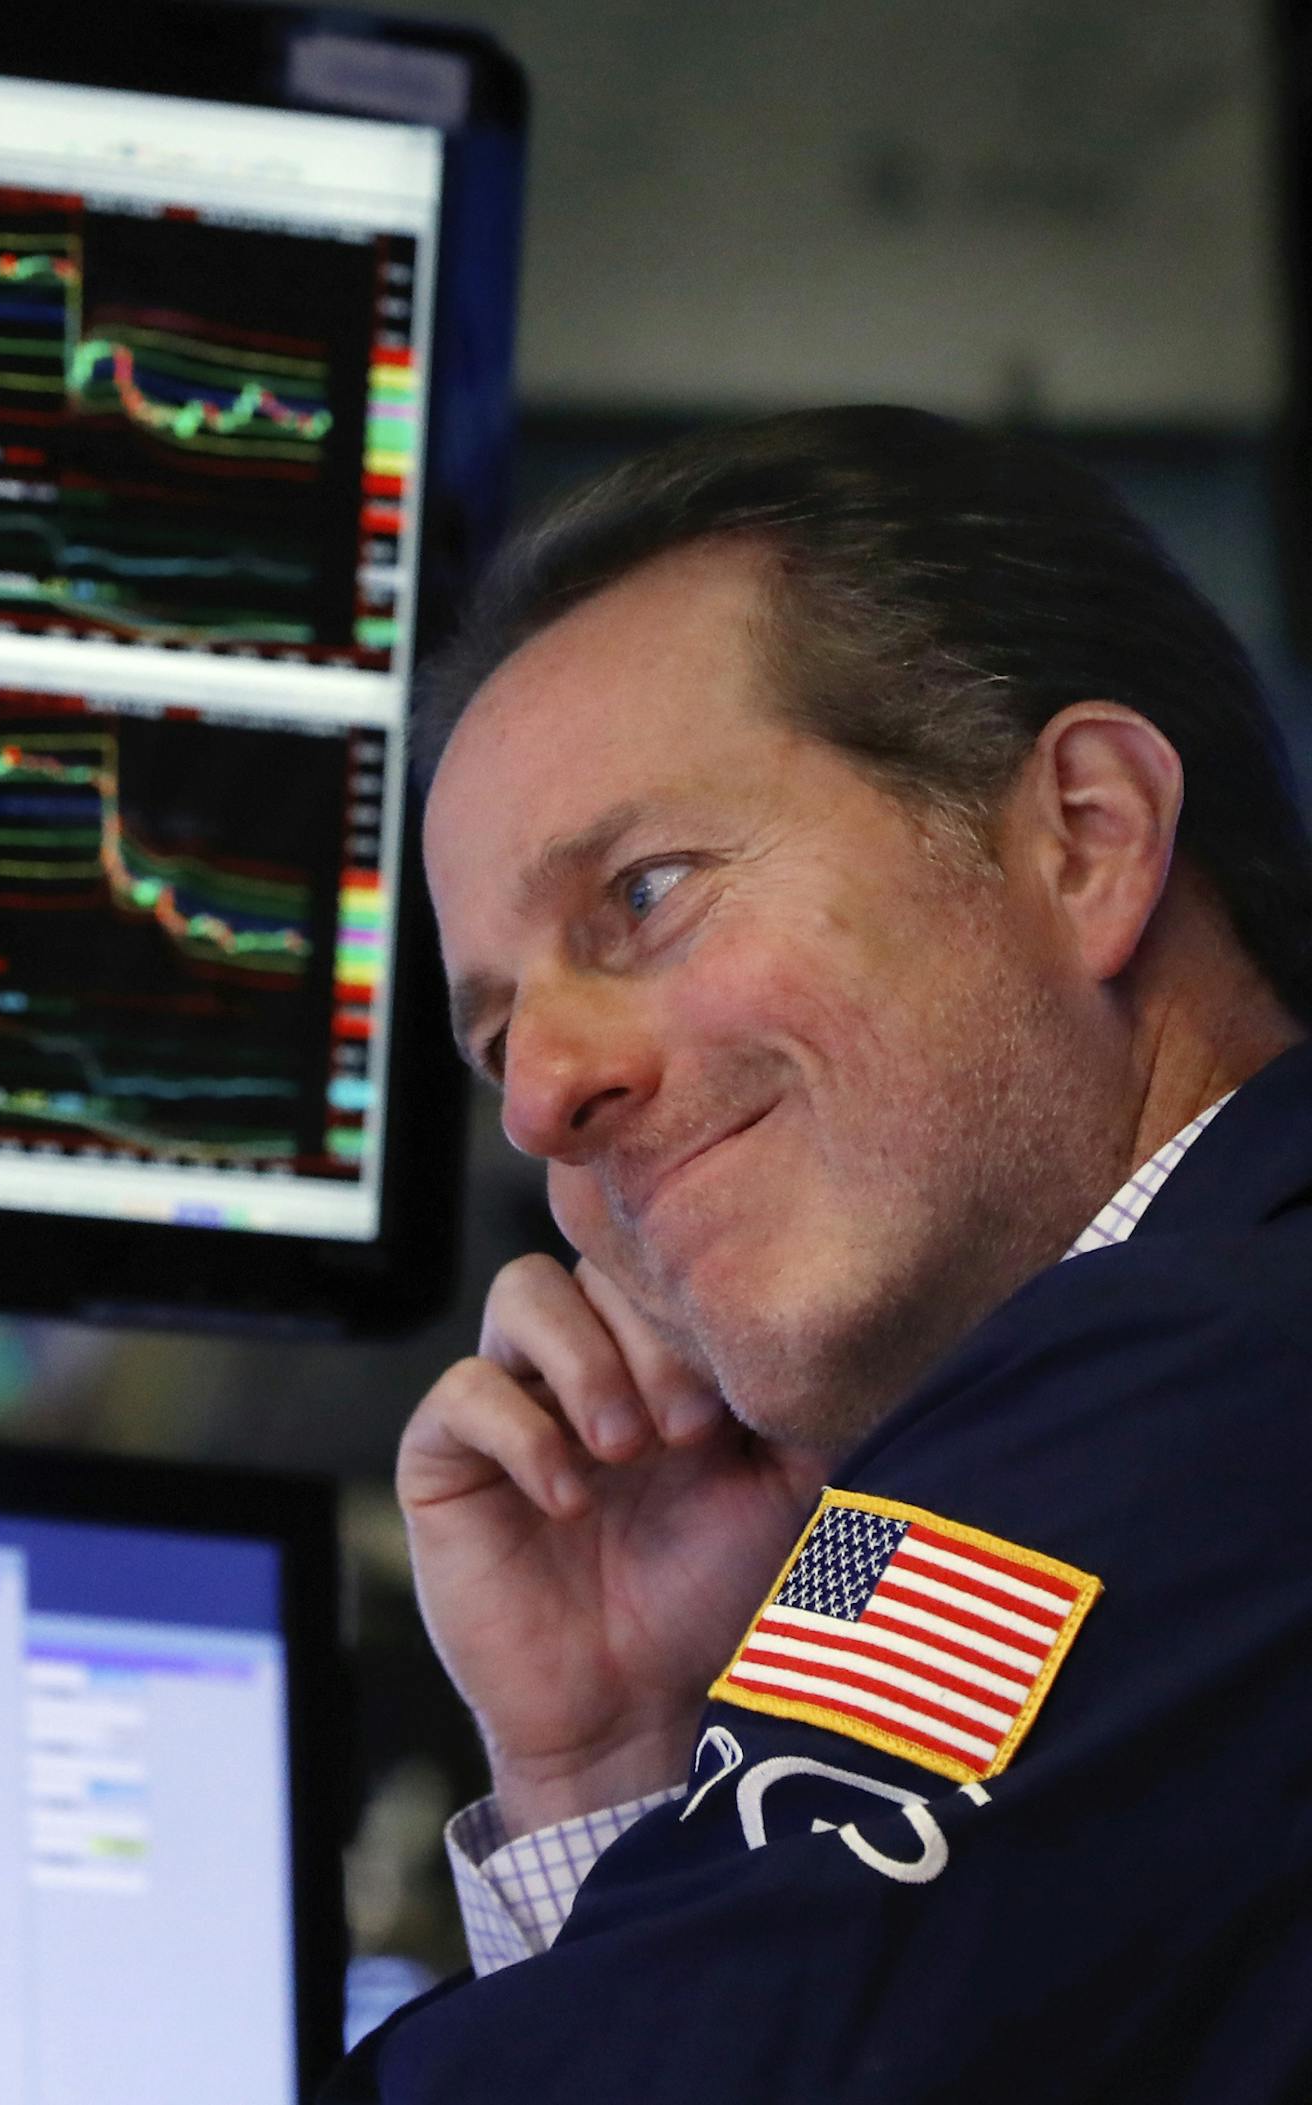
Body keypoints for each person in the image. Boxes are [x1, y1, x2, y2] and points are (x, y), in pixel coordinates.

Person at [323, 406, 1312, 2102]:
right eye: (498, 1044)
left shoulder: (1206, 1361)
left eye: (642, 896)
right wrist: (614, 1759)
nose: (545, 1100)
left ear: (1085, 834)